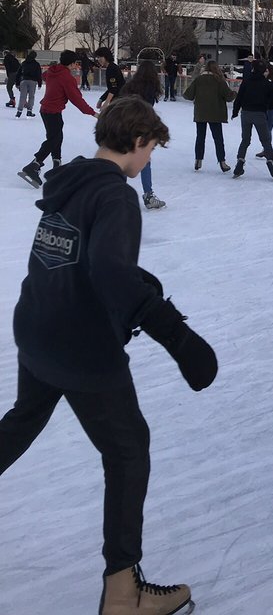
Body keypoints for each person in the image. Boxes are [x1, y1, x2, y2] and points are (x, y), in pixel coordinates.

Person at [0, 95, 217, 614]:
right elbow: (109, 273)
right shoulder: (116, 195)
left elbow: (75, 256)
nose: (149, 158)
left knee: (24, 419)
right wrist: (177, 336)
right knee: (128, 450)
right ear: (137, 141)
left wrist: (139, 280)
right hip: (81, 345)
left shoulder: (71, 181)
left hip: (36, 325)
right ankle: (123, 592)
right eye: (151, 149)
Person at [18, 50, 98, 188]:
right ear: (72, 63)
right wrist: (93, 113)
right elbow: (77, 99)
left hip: (46, 110)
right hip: (53, 111)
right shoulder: (67, 78)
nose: (77, 66)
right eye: (76, 64)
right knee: (54, 139)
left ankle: (56, 165)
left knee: (56, 137)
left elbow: (44, 76)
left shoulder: (52, 70)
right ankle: (34, 165)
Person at [121, 60, 167, 209]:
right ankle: (148, 195)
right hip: (142, 127)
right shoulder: (150, 88)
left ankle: (119, 194)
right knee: (145, 160)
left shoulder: (130, 86)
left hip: (126, 125)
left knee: (124, 158)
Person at [231, 60, 273, 180]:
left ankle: (239, 164)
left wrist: (235, 112)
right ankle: (272, 167)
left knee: (245, 140)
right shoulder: (266, 83)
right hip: (260, 114)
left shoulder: (246, 81)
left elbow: (239, 98)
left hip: (246, 113)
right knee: (266, 141)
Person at [183, 60, 235, 172]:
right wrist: (234, 93)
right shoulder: (219, 81)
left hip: (200, 113)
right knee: (218, 138)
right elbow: (229, 97)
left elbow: (188, 95)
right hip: (216, 113)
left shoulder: (199, 79)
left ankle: (198, 160)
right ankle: (222, 162)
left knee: (200, 137)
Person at [14, 50, 43, 118]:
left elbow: (18, 73)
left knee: (23, 96)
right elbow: (39, 74)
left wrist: (17, 83)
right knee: (31, 96)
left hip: (24, 80)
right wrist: (39, 83)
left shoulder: (24, 63)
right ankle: (29, 111)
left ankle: (19, 111)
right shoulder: (36, 64)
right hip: (33, 81)